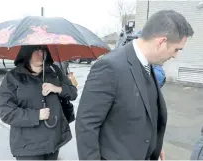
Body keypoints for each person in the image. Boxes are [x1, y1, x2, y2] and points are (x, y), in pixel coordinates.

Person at [75, 10, 194, 160]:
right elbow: (86, 125)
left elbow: (143, 111)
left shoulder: (147, 64)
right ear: (161, 42)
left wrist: (153, 143)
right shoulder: (110, 67)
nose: (176, 55)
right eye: (177, 49)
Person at [0, 45, 77, 160]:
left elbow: (73, 93)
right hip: (28, 146)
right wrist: (37, 115)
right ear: (27, 53)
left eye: (43, 49)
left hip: (53, 141)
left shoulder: (54, 71)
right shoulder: (13, 77)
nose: (41, 53)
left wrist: (58, 88)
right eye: (36, 50)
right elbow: (6, 112)